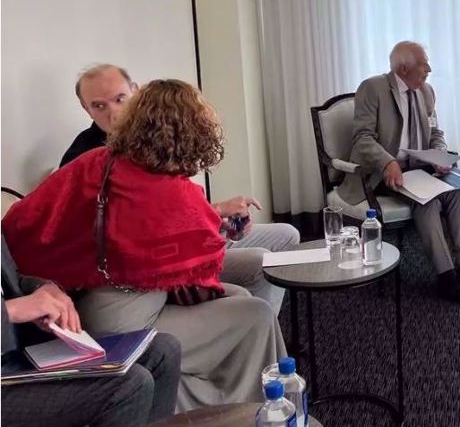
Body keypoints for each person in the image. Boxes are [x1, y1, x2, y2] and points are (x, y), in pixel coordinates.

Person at [3, 79, 286, 411]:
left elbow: (20, 222)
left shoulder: (95, 161)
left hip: (84, 304)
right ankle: (244, 408)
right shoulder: (170, 193)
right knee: (253, 313)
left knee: (240, 299)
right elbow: (195, 283)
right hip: (125, 319)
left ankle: (225, 399)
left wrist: (38, 284)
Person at [60, 63, 299, 315]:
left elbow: (175, 208)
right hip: (150, 267)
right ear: (86, 109)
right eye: (99, 106)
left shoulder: (149, 137)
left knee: (287, 234)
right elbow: (136, 233)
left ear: (135, 92)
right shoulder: (90, 158)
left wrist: (218, 221)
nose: (115, 113)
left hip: (187, 238)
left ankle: (268, 326)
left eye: (120, 99)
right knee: (261, 263)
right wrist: (215, 212)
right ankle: (261, 329)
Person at [339, 41, 460, 305]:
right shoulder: (373, 89)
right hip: (384, 174)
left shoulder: (426, 92)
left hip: (420, 170)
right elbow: (362, 138)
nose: (429, 68)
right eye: (424, 63)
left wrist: (440, 155)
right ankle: (447, 278)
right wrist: (388, 161)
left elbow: (436, 133)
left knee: (457, 193)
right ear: (403, 68)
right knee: (426, 202)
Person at [2, 235, 181, 427]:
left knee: (163, 351)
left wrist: (44, 289)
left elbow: (10, 279)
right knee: (129, 386)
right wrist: (12, 310)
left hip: (17, 349)